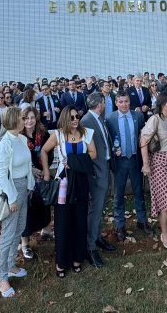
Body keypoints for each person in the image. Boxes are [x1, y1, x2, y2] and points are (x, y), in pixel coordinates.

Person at [41, 106, 96, 278]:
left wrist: (74, 161)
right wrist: (47, 173)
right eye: (72, 117)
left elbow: (93, 153)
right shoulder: (57, 135)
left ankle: (77, 258)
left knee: (80, 220)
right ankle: (62, 262)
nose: (75, 119)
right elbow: (44, 150)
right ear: (65, 118)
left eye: (77, 116)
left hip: (81, 182)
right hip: (63, 182)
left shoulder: (86, 133)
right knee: (63, 221)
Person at [0, 106, 35, 297]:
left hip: (23, 187)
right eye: (22, 117)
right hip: (11, 190)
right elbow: (1, 174)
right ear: (14, 120)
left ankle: (10, 265)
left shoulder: (22, 139)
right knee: (8, 234)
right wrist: (12, 198)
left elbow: (28, 164)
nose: (25, 120)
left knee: (19, 228)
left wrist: (30, 185)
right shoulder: (4, 144)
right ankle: (2, 277)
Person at [139, 91, 167, 251]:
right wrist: (146, 165)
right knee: (165, 202)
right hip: (159, 164)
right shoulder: (155, 119)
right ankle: (164, 234)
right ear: (160, 103)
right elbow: (143, 142)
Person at [105, 92, 150, 241]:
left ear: (130, 102)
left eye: (126, 101)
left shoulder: (138, 116)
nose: (124, 104)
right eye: (121, 102)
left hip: (135, 160)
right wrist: (112, 150)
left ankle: (142, 221)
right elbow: (108, 139)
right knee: (118, 195)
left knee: (139, 192)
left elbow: (143, 137)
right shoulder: (110, 118)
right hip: (119, 161)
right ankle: (120, 225)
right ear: (116, 103)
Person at [80, 92, 115, 268]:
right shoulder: (86, 121)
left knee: (100, 207)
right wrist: (92, 170)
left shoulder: (99, 119)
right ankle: (90, 246)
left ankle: (96, 236)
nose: (105, 104)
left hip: (104, 167)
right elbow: (84, 149)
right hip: (96, 172)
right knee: (96, 208)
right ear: (100, 104)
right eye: (104, 102)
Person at [18, 106, 53, 262]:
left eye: (32, 118)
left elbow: (49, 154)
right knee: (27, 211)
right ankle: (25, 244)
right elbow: (16, 159)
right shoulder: (18, 137)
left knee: (44, 205)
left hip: (42, 175)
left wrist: (45, 171)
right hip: (25, 178)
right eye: (26, 118)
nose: (29, 121)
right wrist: (30, 170)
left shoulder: (43, 134)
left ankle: (46, 231)